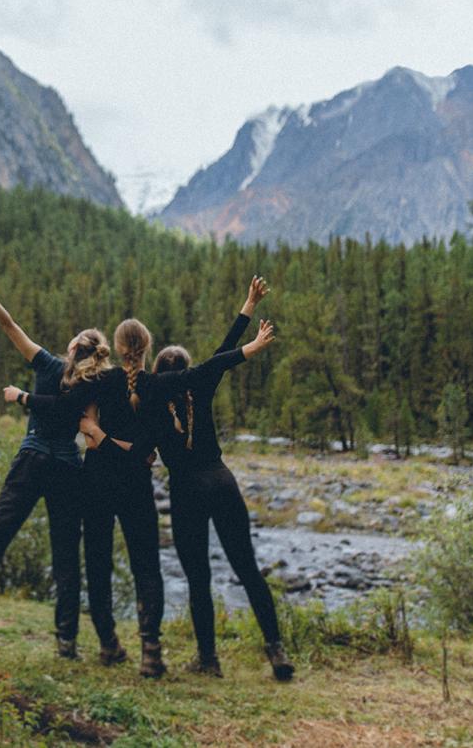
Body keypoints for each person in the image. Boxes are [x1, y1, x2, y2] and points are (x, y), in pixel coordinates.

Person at [8, 311, 276, 678]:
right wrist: (250, 345)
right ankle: (151, 650)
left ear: (117, 348)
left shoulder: (100, 381)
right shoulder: (157, 387)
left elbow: (63, 408)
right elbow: (210, 367)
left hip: (97, 480)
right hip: (136, 485)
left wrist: (26, 398)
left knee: (98, 562)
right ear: (147, 348)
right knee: (147, 567)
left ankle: (109, 645)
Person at [121, 276, 296, 681]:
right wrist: (248, 307)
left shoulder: (148, 403)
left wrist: (101, 441)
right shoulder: (200, 384)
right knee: (248, 570)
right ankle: (277, 651)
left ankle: (208, 659)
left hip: (186, 492)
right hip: (222, 482)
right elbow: (224, 351)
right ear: (187, 370)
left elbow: (139, 452)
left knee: (198, 576)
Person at [0, 259, 108, 659]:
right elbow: (87, 426)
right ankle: (66, 641)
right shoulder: (93, 384)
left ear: (71, 349)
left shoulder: (47, 364)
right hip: (67, 468)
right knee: (66, 554)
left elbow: (8, 323)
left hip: (31, 460)